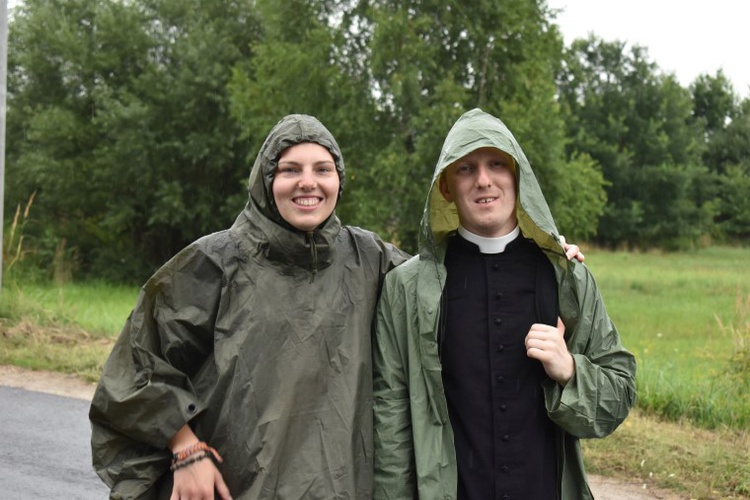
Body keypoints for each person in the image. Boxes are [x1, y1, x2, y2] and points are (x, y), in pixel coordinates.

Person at [88, 114, 412, 499]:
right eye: (290, 169)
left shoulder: (370, 260)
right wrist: (186, 451)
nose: (308, 182)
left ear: (338, 180)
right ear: (265, 180)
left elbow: (444, 297)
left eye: (322, 169)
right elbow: (138, 368)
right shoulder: (214, 263)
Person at [372, 108, 637, 500]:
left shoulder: (567, 277)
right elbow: (390, 417)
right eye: (465, 168)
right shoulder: (406, 290)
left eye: (497, 163)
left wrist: (570, 371)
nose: (483, 180)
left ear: (518, 177)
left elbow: (618, 395)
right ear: (445, 186)